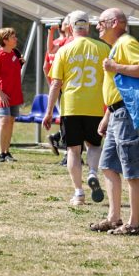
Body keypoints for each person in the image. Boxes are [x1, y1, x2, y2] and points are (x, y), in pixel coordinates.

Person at [94, 8, 139, 235]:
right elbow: (119, 87)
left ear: (115, 22)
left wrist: (115, 67)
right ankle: (114, 218)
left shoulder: (127, 43)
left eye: (101, 22)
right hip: (116, 113)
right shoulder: (117, 46)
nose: (97, 26)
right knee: (108, 165)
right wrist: (107, 116)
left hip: (126, 114)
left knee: (131, 169)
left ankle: (134, 224)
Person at [43, 11, 109, 205]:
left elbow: (56, 84)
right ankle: (92, 172)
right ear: (88, 26)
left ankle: (79, 193)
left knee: (73, 150)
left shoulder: (64, 50)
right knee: (94, 145)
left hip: (71, 106)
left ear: (70, 28)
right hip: (95, 105)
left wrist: (49, 112)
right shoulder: (103, 48)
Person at [0, 27, 24, 162]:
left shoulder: (14, 53)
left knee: (10, 122)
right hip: (2, 95)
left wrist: (20, 63)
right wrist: (0, 93)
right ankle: (1, 153)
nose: (16, 39)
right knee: (4, 121)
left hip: (14, 94)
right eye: (13, 37)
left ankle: (7, 152)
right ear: (5, 40)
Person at [43, 16, 72, 158]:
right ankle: (68, 152)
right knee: (69, 118)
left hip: (59, 86)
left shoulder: (58, 42)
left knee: (68, 117)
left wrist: (52, 84)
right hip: (67, 86)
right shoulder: (68, 42)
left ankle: (57, 138)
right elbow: (46, 64)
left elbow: (45, 67)